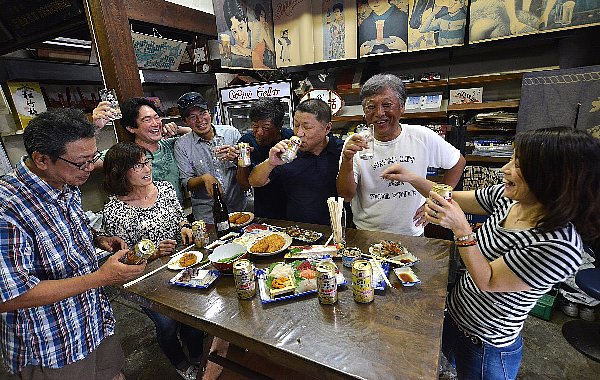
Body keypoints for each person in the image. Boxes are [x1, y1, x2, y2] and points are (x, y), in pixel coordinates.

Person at [381, 127, 600, 379]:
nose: (505, 169)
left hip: (487, 346)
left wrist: (462, 230)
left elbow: (488, 281)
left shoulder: (559, 245)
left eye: (518, 164)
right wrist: (413, 178)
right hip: (455, 318)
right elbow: (449, 196)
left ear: (554, 177)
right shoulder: (511, 199)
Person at [0, 109, 146, 378]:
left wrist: (97, 239)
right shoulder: (7, 208)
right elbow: (10, 296)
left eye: (94, 158)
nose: (90, 169)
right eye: (82, 162)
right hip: (51, 346)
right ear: (41, 159)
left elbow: (61, 233)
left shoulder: (66, 182)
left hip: (94, 322)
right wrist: (101, 278)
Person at [102, 142, 203, 380]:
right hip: (145, 279)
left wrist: (185, 229)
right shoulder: (115, 209)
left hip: (180, 265)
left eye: (147, 162)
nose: (147, 168)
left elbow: (180, 220)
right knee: (167, 324)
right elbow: (123, 260)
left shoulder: (166, 189)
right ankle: (179, 361)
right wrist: (154, 253)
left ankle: (198, 354)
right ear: (120, 171)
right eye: (137, 165)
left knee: (194, 315)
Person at [337, 73, 465, 236]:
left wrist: (435, 203)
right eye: (371, 107)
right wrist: (347, 159)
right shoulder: (355, 143)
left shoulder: (421, 136)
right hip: (366, 233)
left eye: (387, 105)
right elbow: (346, 196)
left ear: (402, 106)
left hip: (412, 234)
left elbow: (457, 162)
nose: (379, 113)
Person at [249, 99, 344, 225]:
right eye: (296, 125)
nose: (299, 133)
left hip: (338, 228)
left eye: (307, 127)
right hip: (298, 230)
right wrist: (270, 163)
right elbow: (255, 182)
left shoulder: (341, 151)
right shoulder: (288, 152)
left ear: (327, 128)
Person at [93, 98, 191, 204]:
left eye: (157, 117)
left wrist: (178, 129)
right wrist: (95, 128)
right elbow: (88, 163)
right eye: (147, 120)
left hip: (177, 214)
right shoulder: (125, 154)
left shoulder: (171, 145)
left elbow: (200, 136)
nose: (155, 123)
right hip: (144, 217)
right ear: (131, 128)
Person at [174, 92, 246, 223]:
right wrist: (204, 178)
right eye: (192, 117)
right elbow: (187, 183)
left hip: (239, 209)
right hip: (208, 216)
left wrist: (238, 159)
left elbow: (247, 170)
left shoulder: (231, 133)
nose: (200, 120)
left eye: (203, 113)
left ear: (209, 113)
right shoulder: (182, 145)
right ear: (185, 121)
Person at [237, 97, 293, 219]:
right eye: (255, 126)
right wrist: (242, 161)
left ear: (280, 125)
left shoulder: (290, 139)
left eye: (266, 128)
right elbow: (245, 186)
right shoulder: (247, 142)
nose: (259, 132)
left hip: (292, 208)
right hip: (264, 211)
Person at [223, 0, 252, 68]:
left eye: (241, 27)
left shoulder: (257, 33)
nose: (240, 38)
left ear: (246, 21)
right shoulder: (227, 37)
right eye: (234, 32)